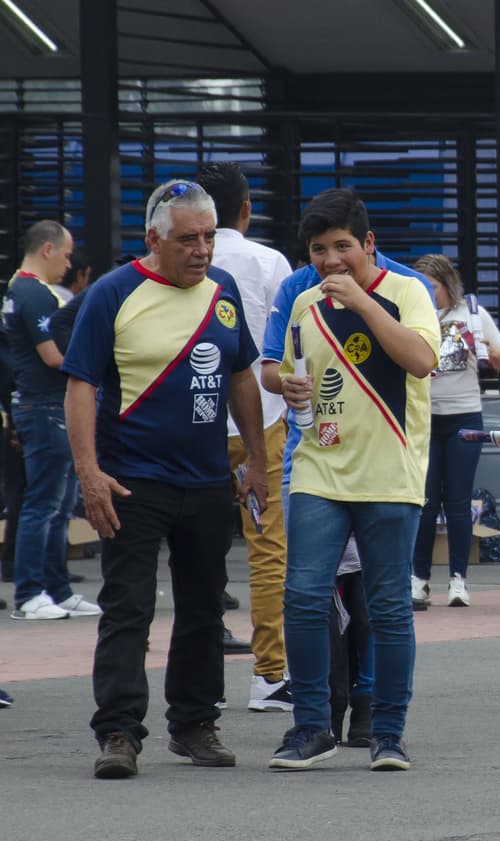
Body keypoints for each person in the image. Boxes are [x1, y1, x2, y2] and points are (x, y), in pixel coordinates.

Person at [64, 180, 267, 779]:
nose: (202, 250)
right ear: (154, 238)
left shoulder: (223, 291)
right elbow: (80, 386)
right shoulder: (113, 293)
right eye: (187, 239)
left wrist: (255, 461)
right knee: (127, 607)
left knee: (204, 607)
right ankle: (120, 732)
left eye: (208, 236)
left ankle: (195, 723)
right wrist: (90, 472)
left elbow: (240, 379)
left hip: (206, 480)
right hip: (131, 480)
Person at [263, 188, 440, 771]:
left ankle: (388, 732)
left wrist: (363, 304)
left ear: (368, 243)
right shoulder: (302, 302)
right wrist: (286, 387)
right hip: (319, 465)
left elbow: (420, 360)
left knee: (389, 606)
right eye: (319, 250)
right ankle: (311, 727)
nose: (332, 261)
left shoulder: (407, 290)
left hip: (391, 471)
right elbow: (287, 373)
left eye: (343, 247)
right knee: (304, 596)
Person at [197, 161, 295, 709]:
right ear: (247, 208)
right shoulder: (268, 261)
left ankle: (200, 672)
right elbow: (291, 338)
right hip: (265, 422)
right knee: (267, 550)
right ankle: (269, 673)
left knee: (199, 550)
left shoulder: (184, 260)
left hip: (200, 423)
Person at [4, 220, 100, 620]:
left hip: (39, 405)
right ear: (47, 249)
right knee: (43, 503)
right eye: (65, 253)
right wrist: (93, 369)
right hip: (44, 406)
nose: (69, 262)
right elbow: (53, 356)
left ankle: (57, 589)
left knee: (57, 504)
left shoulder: (16, 289)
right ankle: (29, 594)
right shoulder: (37, 294)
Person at [409, 254, 500, 608]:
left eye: (432, 287)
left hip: (463, 416)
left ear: (446, 285)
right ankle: (419, 579)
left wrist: (485, 348)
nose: (427, 292)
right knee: (423, 501)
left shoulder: (471, 313)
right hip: (423, 418)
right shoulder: (412, 313)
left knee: (457, 500)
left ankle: (458, 580)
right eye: (421, 286)